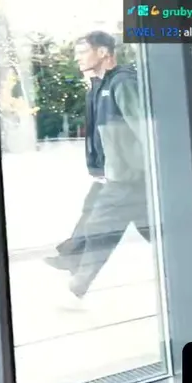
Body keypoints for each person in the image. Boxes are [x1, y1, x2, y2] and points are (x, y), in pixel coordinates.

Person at [44, 31, 152, 308]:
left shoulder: (122, 83)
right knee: (151, 231)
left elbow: (145, 128)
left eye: (83, 52)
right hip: (115, 176)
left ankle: (75, 285)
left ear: (103, 53)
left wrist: (153, 169)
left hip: (128, 178)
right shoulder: (99, 86)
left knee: (100, 227)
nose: (77, 58)